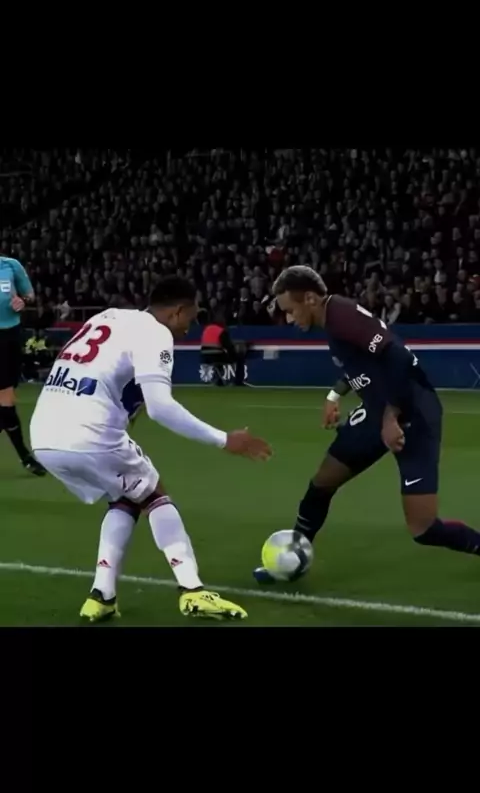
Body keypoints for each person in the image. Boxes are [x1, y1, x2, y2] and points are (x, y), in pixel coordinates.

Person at [29, 277, 272, 622]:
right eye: (191, 318)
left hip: (43, 434)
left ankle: (102, 596)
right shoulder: (156, 333)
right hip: (89, 434)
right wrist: (224, 439)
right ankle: (192, 590)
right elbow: (161, 408)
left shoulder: (107, 317)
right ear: (177, 311)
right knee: (154, 493)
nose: (189, 328)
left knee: (126, 496)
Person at [254, 264, 480, 583]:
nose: (289, 319)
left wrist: (391, 416)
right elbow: (361, 364)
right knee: (322, 483)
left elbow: (398, 357)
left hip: (413, 412)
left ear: (310, 299)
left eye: (290, 311)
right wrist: (335, 395)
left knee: (424, 528)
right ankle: (290, 558)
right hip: (378, 412)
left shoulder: (341, 315)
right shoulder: (333, 320)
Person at [0, 255, 45, 475]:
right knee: (5, 401)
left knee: (6, 400)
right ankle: (25, 457)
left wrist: (22, 301)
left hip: (10, 336)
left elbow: (30, 294)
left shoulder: (11, 265)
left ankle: (25, 457)